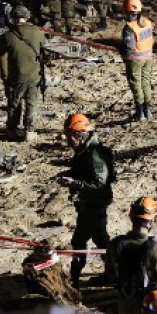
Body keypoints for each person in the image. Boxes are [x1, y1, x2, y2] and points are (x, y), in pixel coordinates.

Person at [56, 112, 115, 286]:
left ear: (79, 135)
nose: (68, 142)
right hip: (89, 202)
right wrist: (69, 176)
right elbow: (82, 171)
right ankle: (113, 273)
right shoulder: (85, 150)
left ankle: (74, 278)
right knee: (100, 239)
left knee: (80, 240)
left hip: (94, 203)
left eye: (70, 137)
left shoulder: (94, 154)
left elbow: (99, 182)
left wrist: (75, 183)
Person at [108, 197, 157, 314]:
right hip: (150, 305)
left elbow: (110, 274)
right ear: (152, 220)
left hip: (125, 303)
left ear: (131, 218)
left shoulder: (115, 244)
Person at [0, 5, 46, 142]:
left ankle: (12, 130)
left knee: (14, 103)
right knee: (31, 102)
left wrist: (4, 74)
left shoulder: (7, 36)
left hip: (15, 75)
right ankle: (29, 131)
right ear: (28, 17)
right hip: (34, 74)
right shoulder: (37, 32)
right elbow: (44, 49)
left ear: (12, 18)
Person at [121, 0, 155, 121]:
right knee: (146, 82)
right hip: (148, 57)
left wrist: (121, 50)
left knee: (136, 84)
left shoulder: (129, 27)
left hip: (136, 59)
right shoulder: (147, 22)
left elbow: (129, 46)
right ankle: (148, 110)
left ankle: (139, 113)